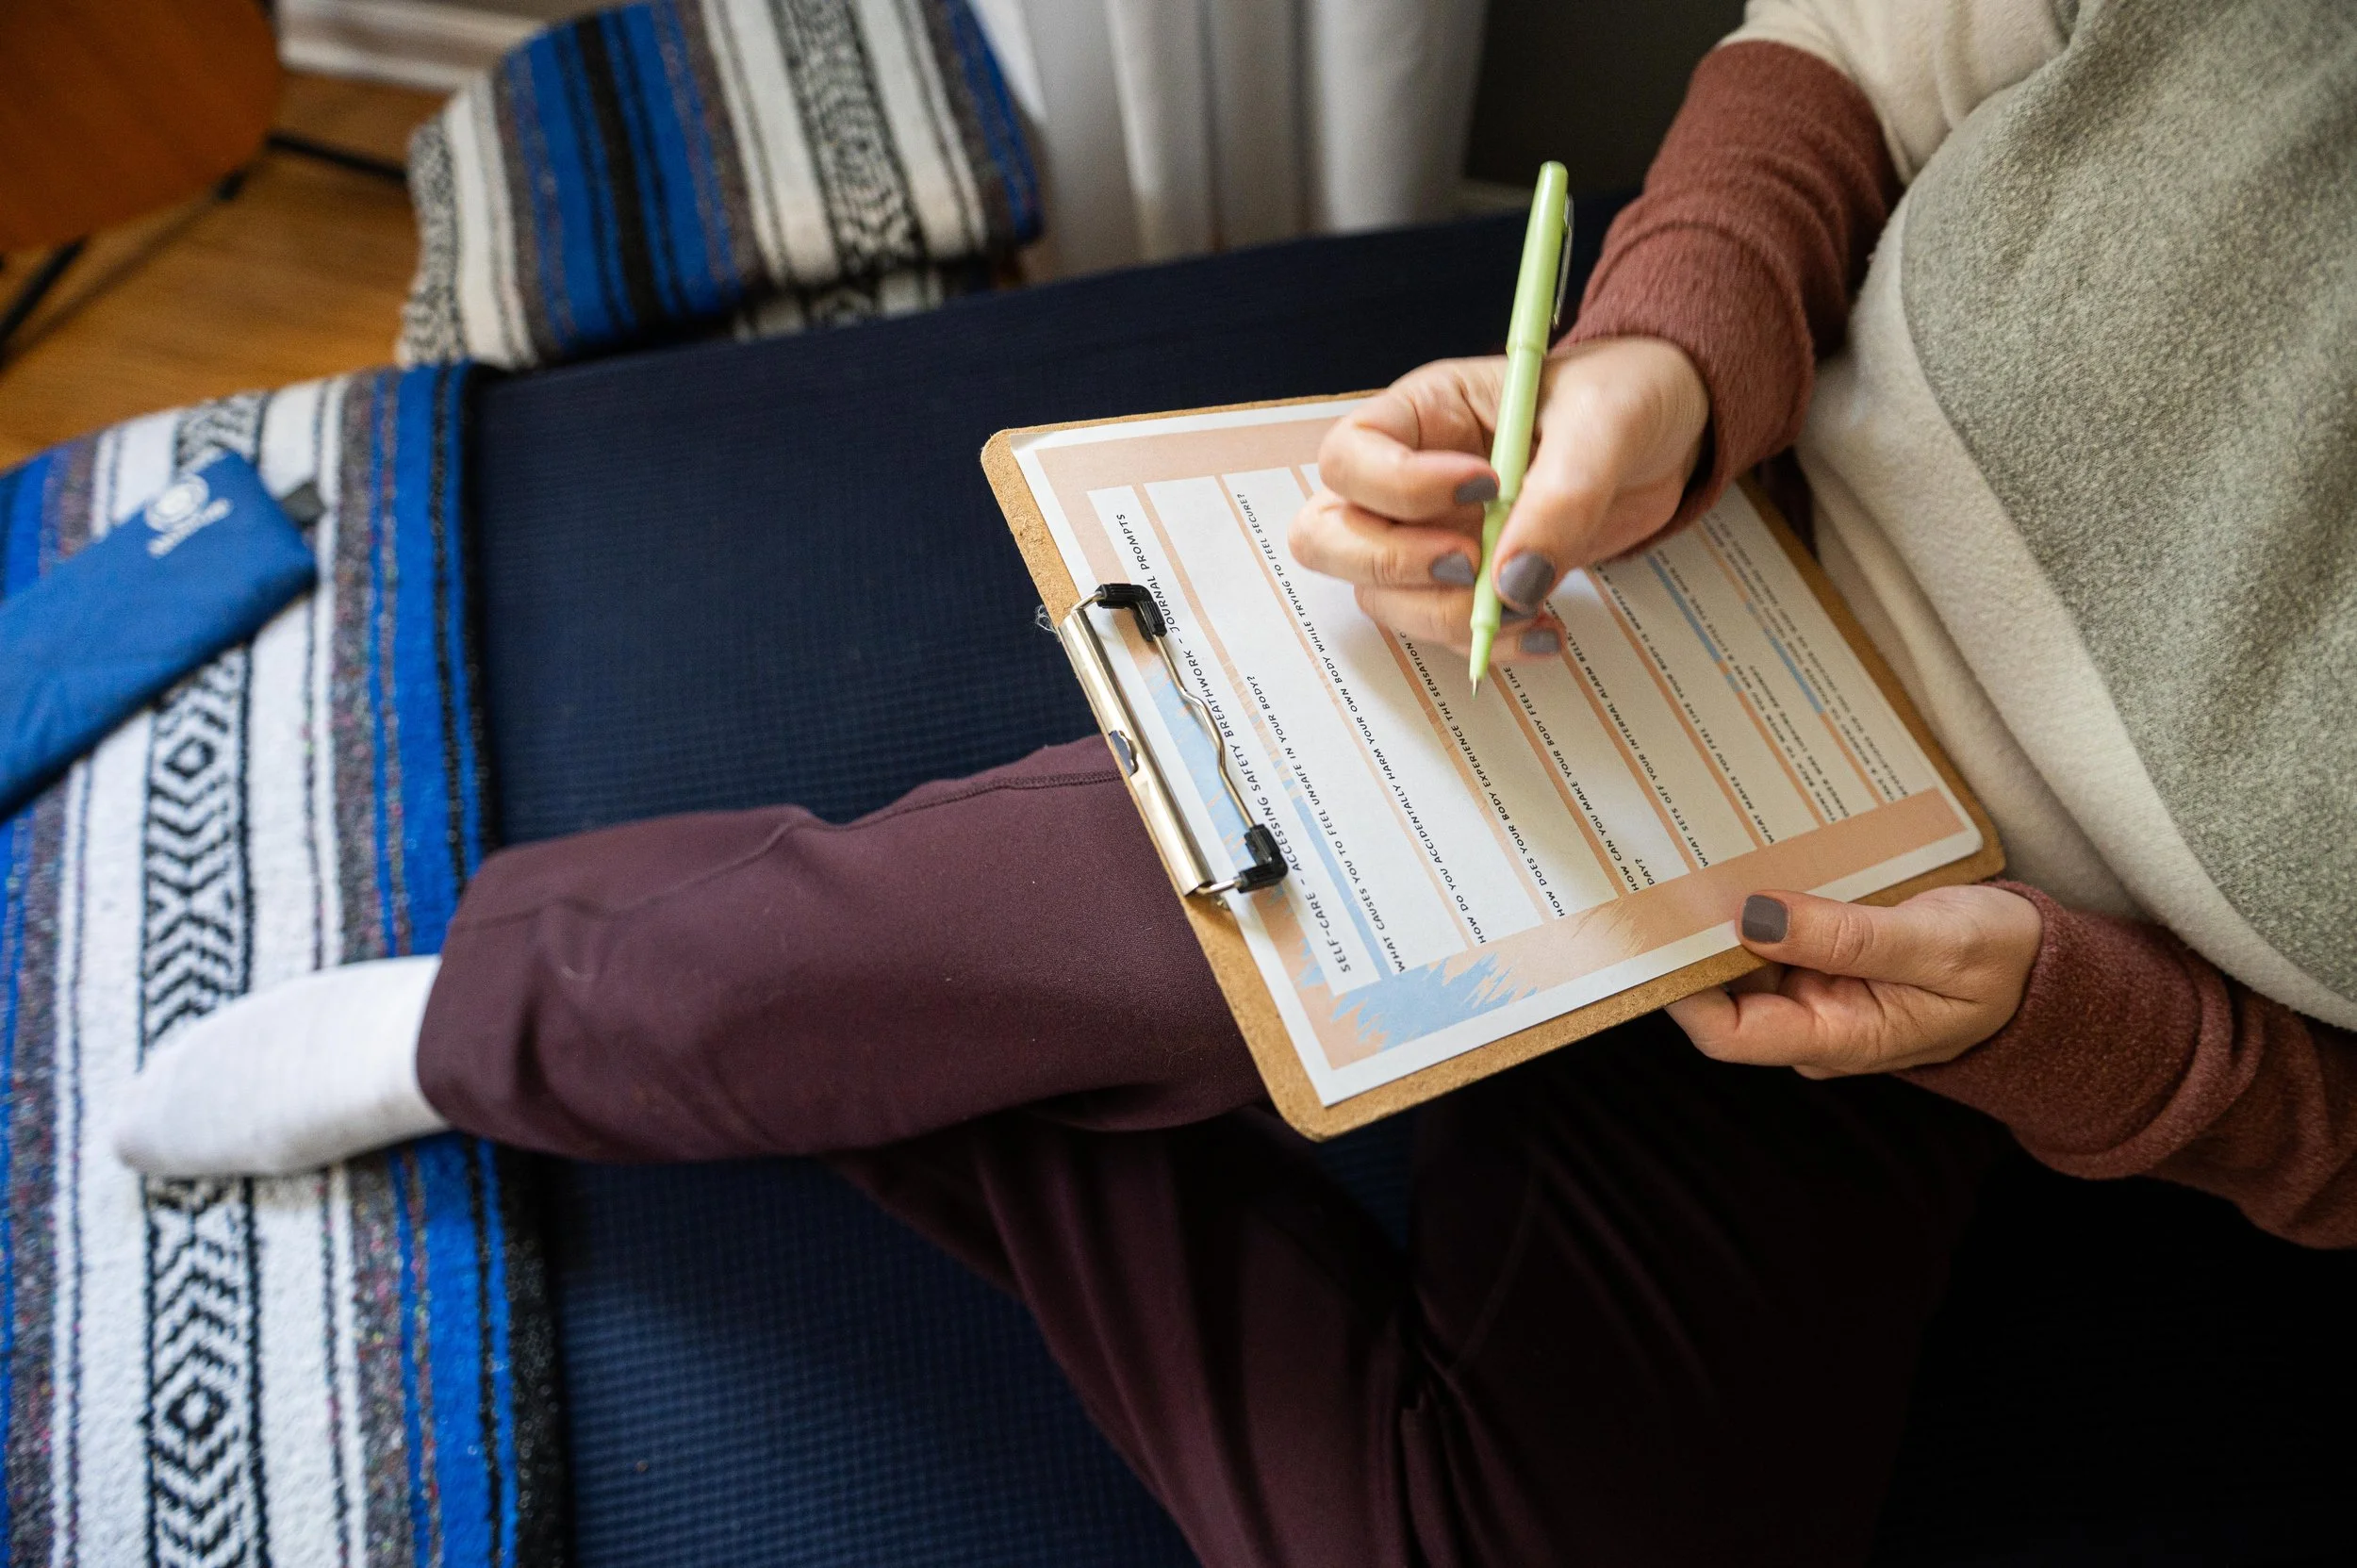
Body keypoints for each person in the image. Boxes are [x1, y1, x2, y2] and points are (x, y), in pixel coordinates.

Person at [112, 0, 2357, 1562]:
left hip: (1956, 987)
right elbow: (1852, 52)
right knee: (1106, 930)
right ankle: (495, 1017)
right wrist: (1663, 347)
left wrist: (2086, 1039)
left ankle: (943, 1065)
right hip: (1667, 564)